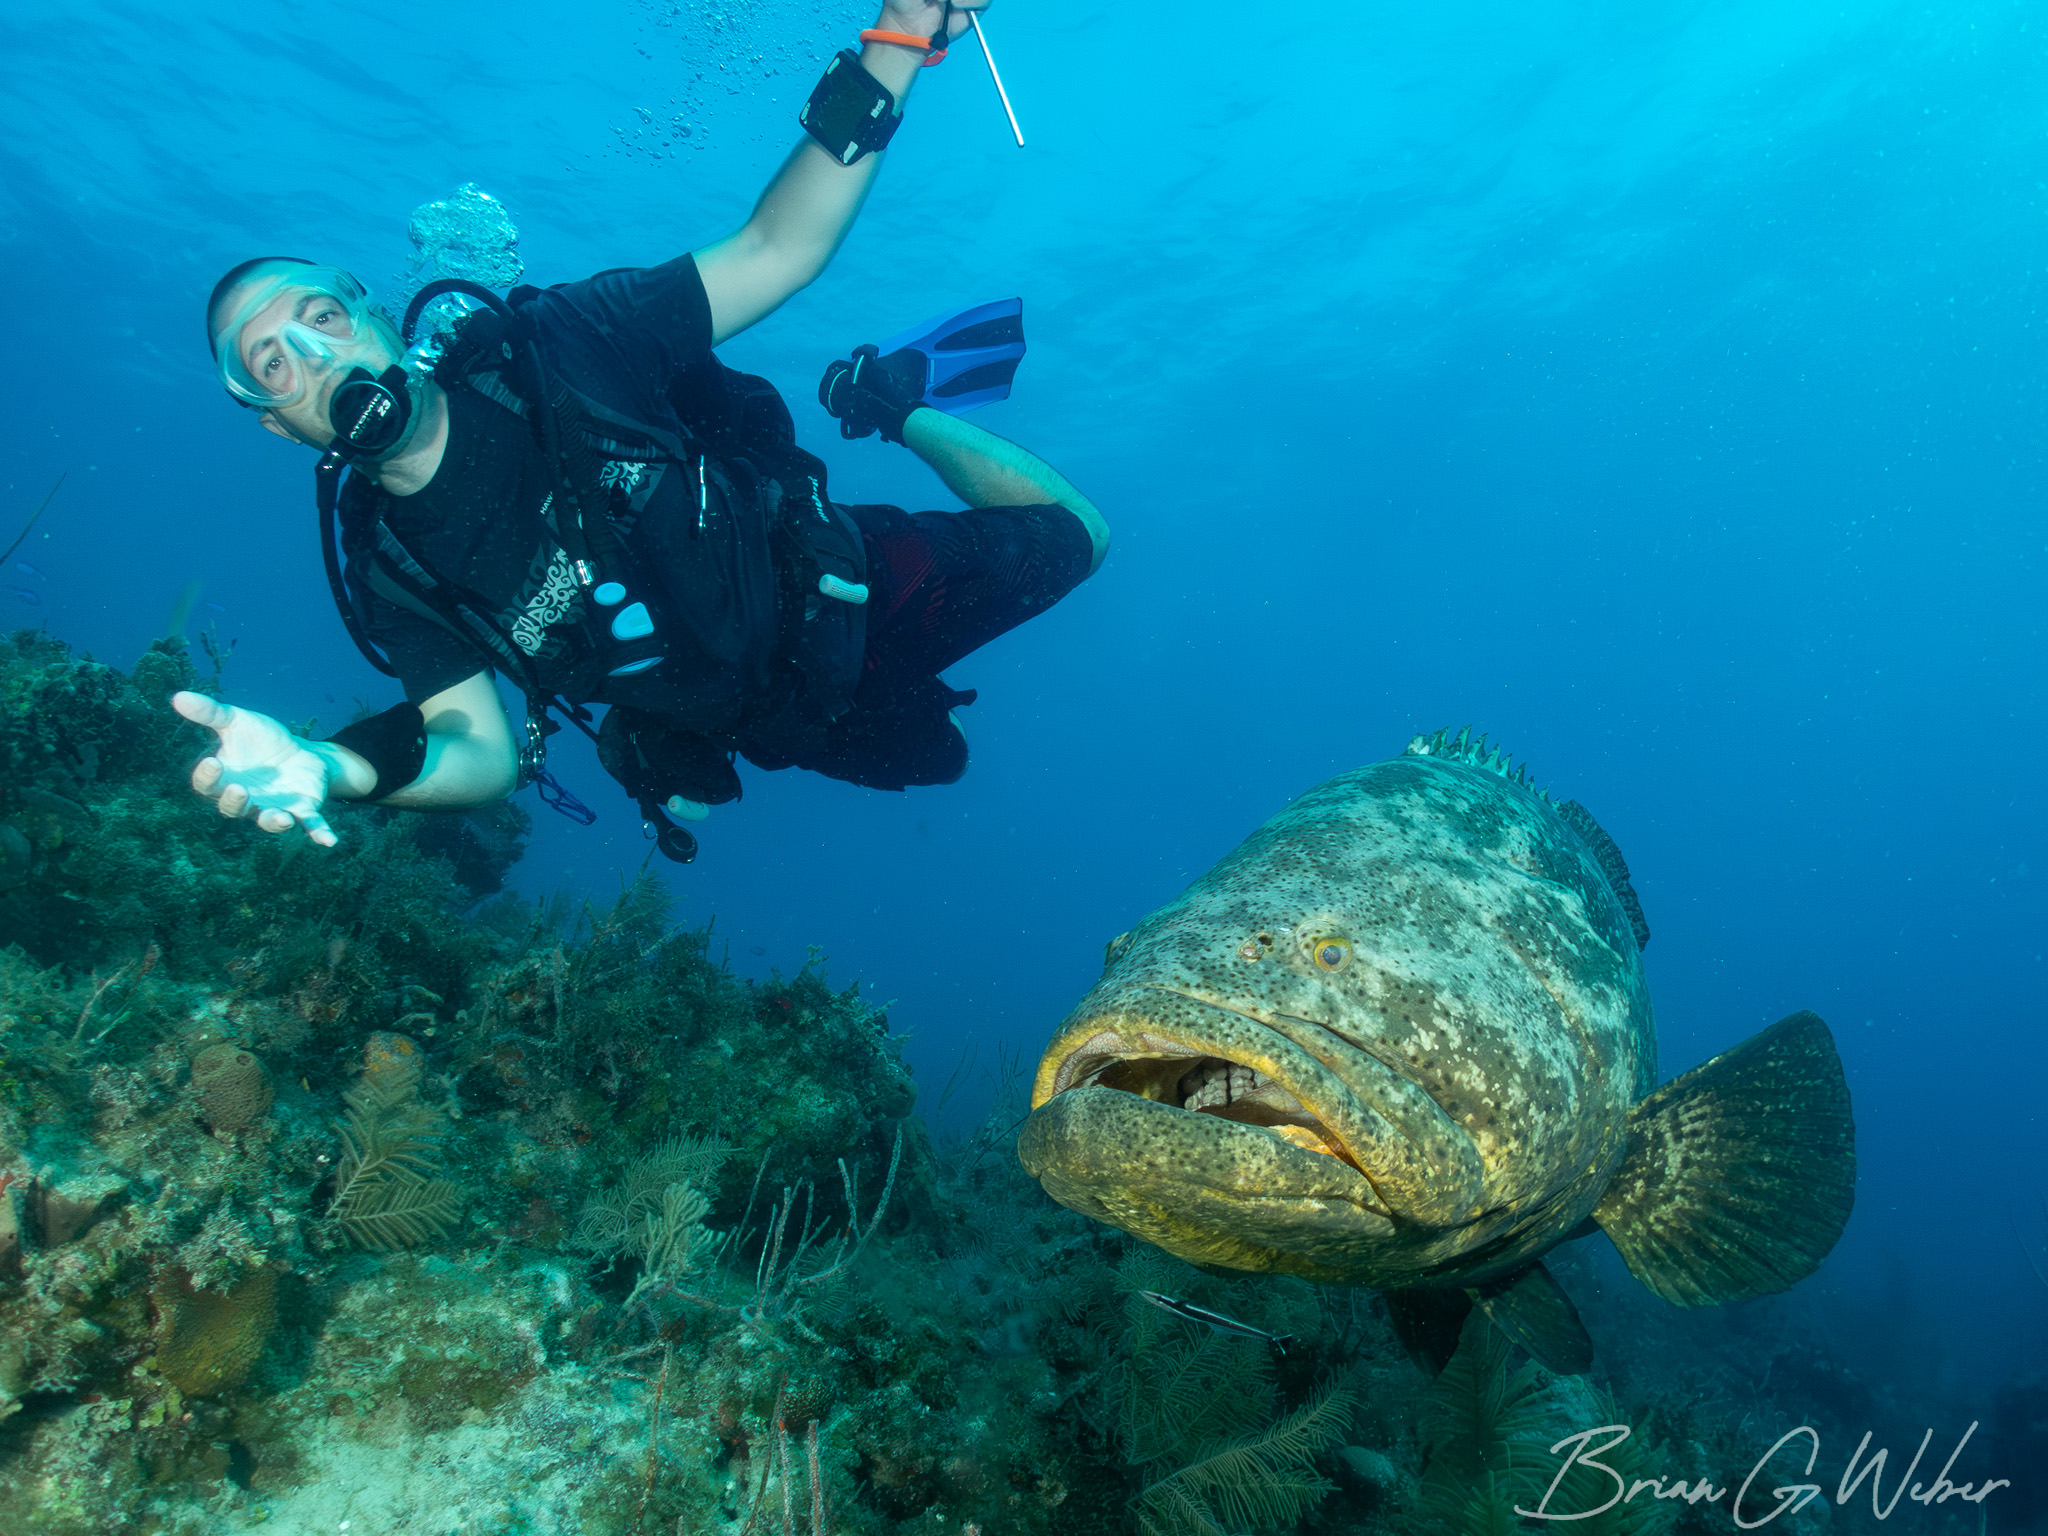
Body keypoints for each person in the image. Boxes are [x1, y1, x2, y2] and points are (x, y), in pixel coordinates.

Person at [176, 0, 1107, 863]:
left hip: (852, 587)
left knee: (1086, 537)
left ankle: (889, 405)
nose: (312, 354)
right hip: (762, 719)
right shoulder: (392, 570)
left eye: (321, 316)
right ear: (276, 424)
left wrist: (900, 36)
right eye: (270, 362)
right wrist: (331, 769)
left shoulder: (564, 342)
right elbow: (478, 751)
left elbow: (776, 248)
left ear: (373, 313)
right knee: (939, 761)